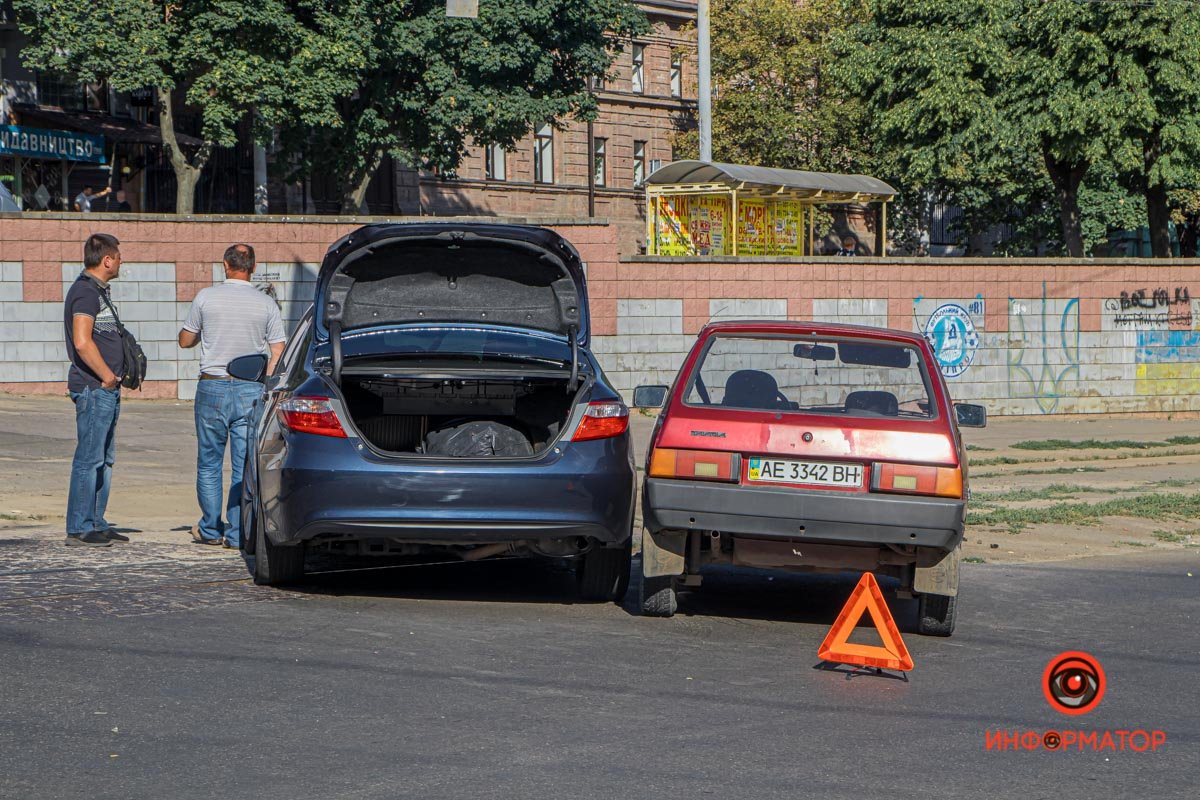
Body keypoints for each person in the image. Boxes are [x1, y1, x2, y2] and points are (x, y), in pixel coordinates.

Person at [178, 244, 286, 549]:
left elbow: (185, 340)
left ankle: (211, 529)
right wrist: (267, 382)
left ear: (226, 265)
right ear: (252, 266)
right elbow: (278, 350)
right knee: (243, 464)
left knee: (209, 462)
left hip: (212, 386)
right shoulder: (266, 304)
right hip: (250, 388)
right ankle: (238, 532)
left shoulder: (205, 297)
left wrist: (201, 333)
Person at [63, 233, 129, 547]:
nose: (120, 261)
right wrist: (106, 377)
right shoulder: (85, 292)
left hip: (105, 389)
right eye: (118, 257)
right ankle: (79, 527)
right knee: (89, 460)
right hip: (93, 388)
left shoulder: (98, 292)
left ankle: (96, 522)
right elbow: (82, 341)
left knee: (104, 460)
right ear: (107, 260)